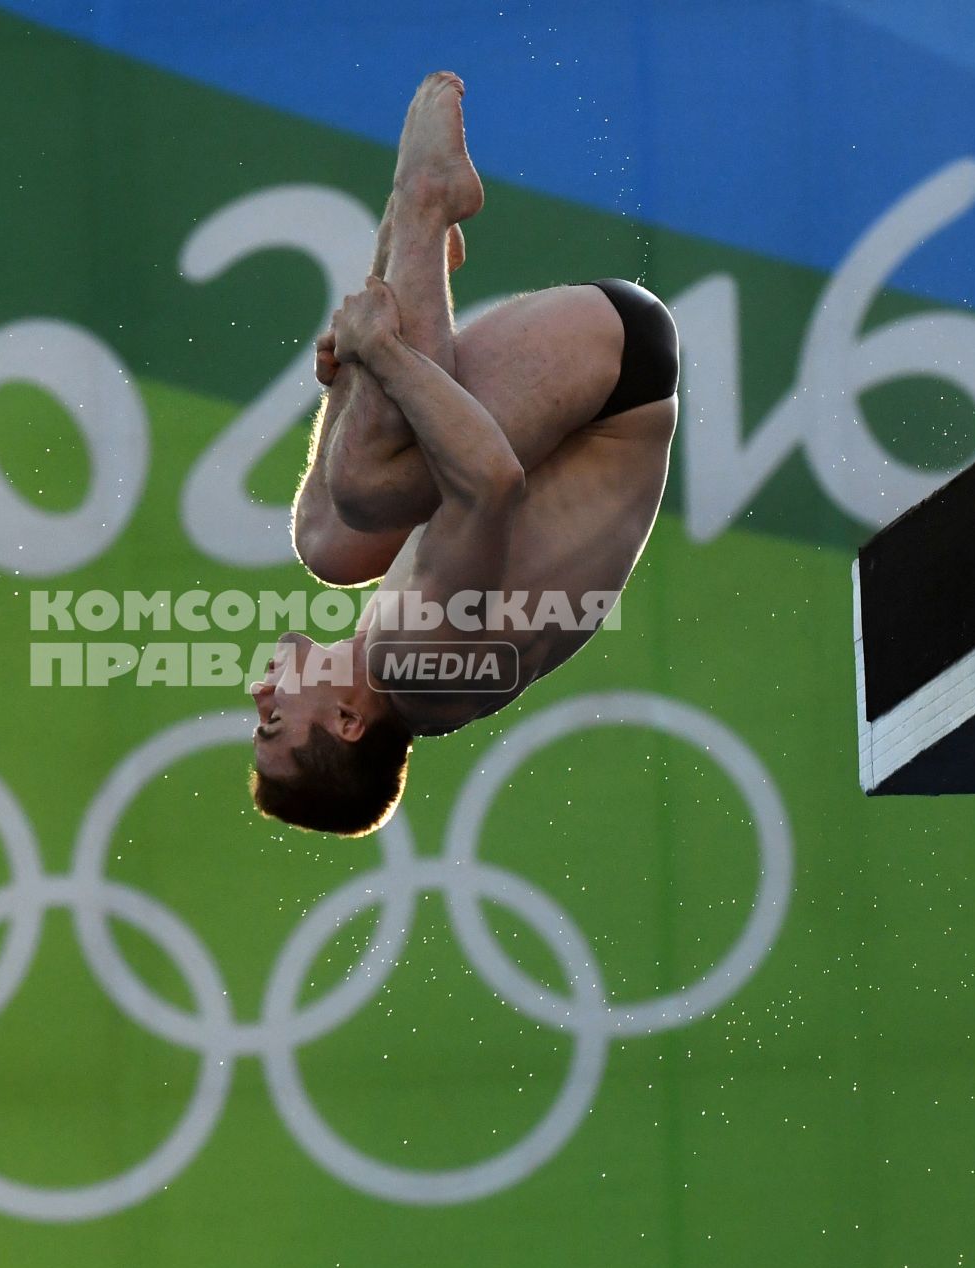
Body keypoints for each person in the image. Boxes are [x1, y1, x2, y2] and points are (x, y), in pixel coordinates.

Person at [249, 71, 679, 837]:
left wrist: (359, 377)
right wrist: (381, 353)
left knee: (329, 540)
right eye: (274, 726)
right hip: (615, 372)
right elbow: (486, 479)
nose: (259, 698)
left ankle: (408, 267)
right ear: (347, 722)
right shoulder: (415, 663)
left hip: (591, 390)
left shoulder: (408, 677)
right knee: (365, 481)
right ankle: (422, 201)